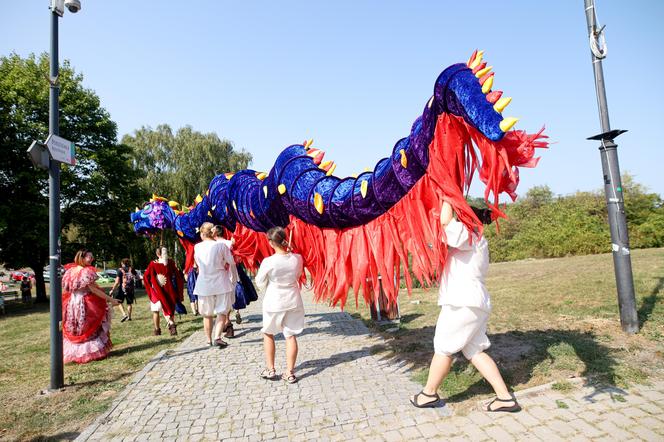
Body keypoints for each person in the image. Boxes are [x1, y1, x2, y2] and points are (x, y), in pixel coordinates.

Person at [410, 201, 521, 412]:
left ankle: (428, 394)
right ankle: (505, 398)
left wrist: (445, 195)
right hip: (472, 303)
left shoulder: (469, 236)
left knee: (443, 347)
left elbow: (445, 221)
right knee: (475, 351)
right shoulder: (475, 239)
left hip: (462, 303)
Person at [255, 226, 304, 384]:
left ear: (270, 243)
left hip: (274, 301)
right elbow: (297, 274)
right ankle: (289, 371)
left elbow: (259, 282)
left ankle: (270, 369)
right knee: (291, 335)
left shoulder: (269, 261)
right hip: (293, 299)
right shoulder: (297, 258)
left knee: (268, 333)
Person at [62, 249, 120, 364]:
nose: (92, 259)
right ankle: (88, 354)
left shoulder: (70, 271)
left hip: (73, 303)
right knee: (88, 325)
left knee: (78, 327)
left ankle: (78, 354)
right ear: (82, 258)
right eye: (90, 257)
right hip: (83, 302)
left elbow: (67, 289)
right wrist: (111, 299)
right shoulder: (85, 272)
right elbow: (94, 290)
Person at [194, 222, 238, 347]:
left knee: (207, 314)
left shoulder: (197, 247)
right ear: (213, 232)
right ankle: (217, 336)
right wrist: (224, 262)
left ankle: (208, 339)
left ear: (202, 233)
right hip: (221, 281)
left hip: (204, 282)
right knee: (222, 311)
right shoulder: (221, 246)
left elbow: (197, 263)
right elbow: (231, 261)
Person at [144, 247, 184, 336]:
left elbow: (146, 277)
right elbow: (177, 275)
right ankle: (170, 327)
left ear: (157, 254)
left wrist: (151, 286)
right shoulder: (170, 262)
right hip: (169, 289)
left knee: (157, 310)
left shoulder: (153, 264)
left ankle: (160, 329)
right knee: (169, 307)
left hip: (158, 290)